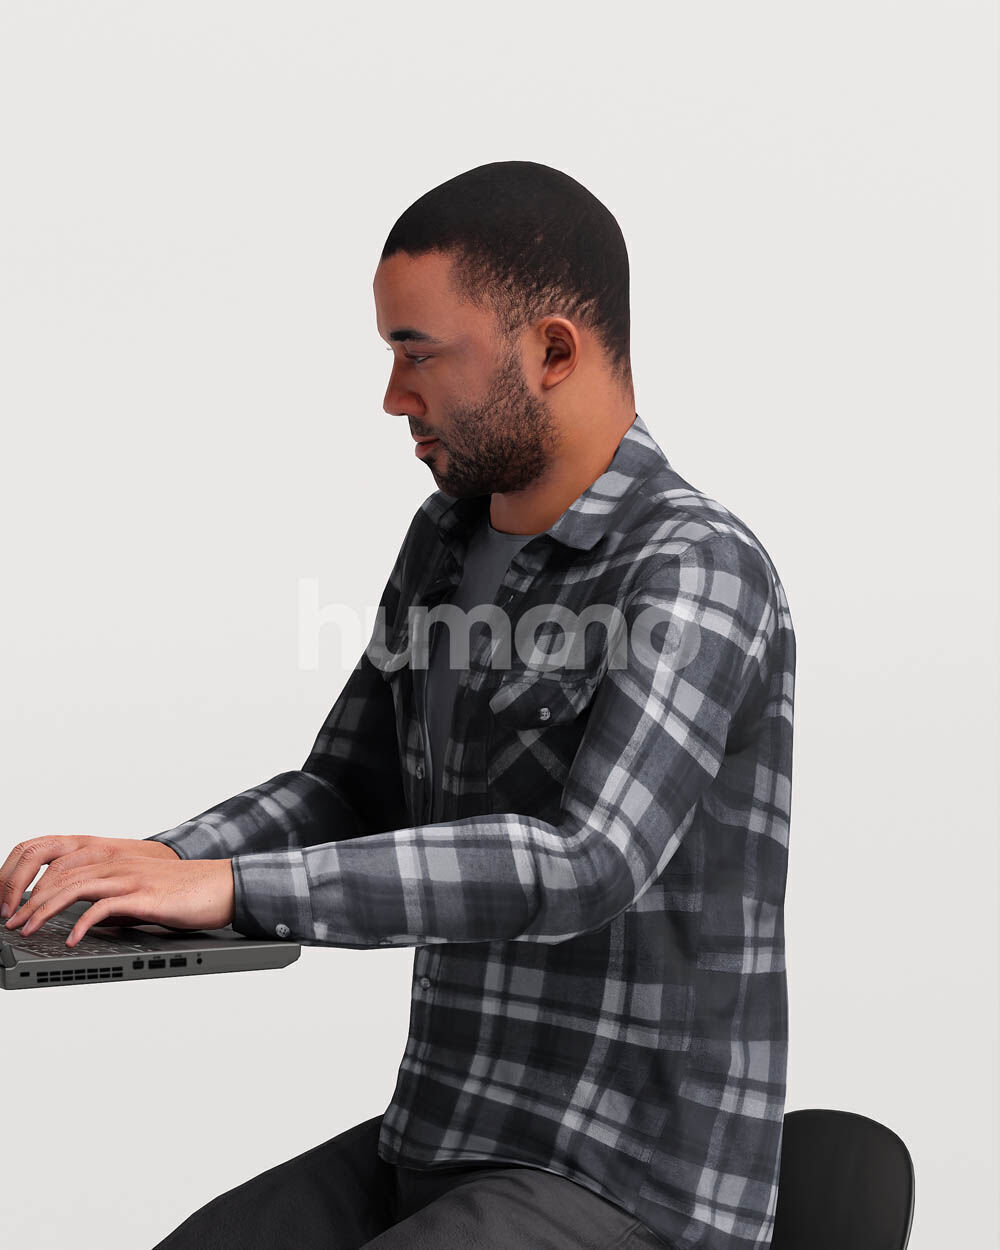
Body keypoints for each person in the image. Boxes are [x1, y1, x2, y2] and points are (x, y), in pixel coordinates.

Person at [0, 161, 796, 1249]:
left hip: (627, 1177)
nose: (392, 397)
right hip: (439, 1130)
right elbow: (349, 786)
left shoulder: (698, 570)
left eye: (417, 353)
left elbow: (585, 861)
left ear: (553, 351)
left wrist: (231, 885)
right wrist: (134, 876)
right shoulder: (446, 540)